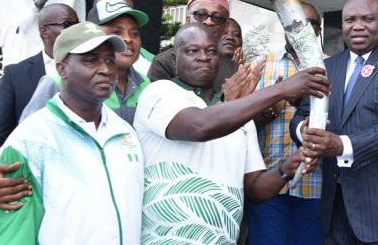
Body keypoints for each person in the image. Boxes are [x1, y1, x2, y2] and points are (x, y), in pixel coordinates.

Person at [134, 23, 330, 243]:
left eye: (211, 51)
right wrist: (281, 89)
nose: (204, 57)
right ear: (173, 59)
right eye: (192, 51)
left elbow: (255, 188)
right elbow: (200, 126)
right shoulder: (160, 93)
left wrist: (286, 168)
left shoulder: (240, 118)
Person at [291, 0, 378, 244]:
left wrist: (341, 145)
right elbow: (301, 114)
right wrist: (304, 130)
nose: (357, 26)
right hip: (337, 210)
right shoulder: (325, 67)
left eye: (368, 19)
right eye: (349, 19)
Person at [0, 22, 143, 244]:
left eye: (110, 60)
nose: (106, 69)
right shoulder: (31, 139)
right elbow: (13, 234)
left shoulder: (126, 133)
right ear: (62, 69)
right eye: (91, 60)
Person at [246, 2, 324, 245]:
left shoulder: (331, 68)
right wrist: (272, 105)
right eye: (292, 22)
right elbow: (244, 123)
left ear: (318, 31)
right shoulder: (260, 65)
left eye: (308, 23)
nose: (299, 28)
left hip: (314, 187)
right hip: (268, 184)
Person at [19, 0, 151, 125]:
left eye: (134, 33)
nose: (128, 39)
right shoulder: (57, 81)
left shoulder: (146, 85)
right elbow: (27, 135)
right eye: (116, 32)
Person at [0, 4, 78, 148]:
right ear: (44, 31)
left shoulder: (92, 70)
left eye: (77, 24)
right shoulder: (14, 75)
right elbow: (3, 134)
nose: (75, 30)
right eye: (67, 24)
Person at [149, 0, 239, 92]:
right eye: (200, 14)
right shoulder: (164, 63)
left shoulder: (233, 70)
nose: (209, 22)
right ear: (188, 20)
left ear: (226, 26)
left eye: (217, 17)